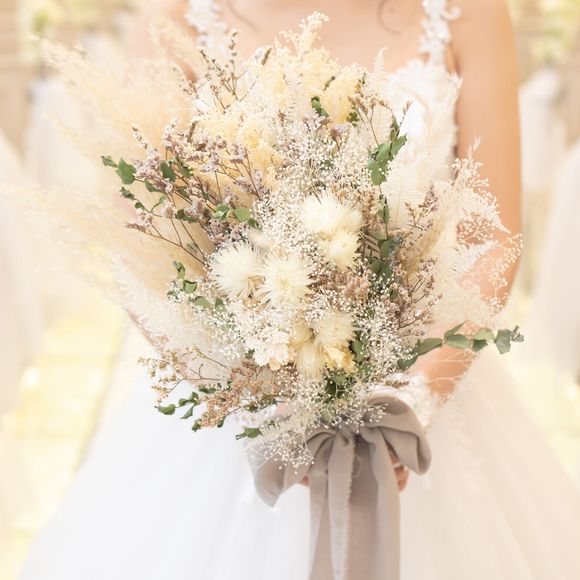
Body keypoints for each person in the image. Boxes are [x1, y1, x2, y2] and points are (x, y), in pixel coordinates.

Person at [19, 1, 580, 579]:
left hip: (430, 384)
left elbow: (493, 240)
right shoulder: (178, 16)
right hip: (233, 410)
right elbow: (139, 246)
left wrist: (411, 401)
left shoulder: (469, 12)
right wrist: (263, 402)